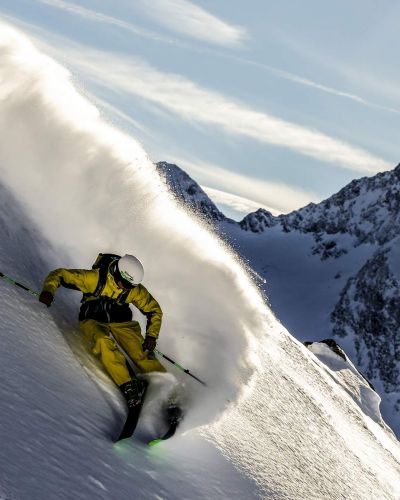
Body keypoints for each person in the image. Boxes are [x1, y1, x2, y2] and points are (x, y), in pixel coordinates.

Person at [39, 254, 166, 410]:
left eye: (130, 286)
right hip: (92, 318)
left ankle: (169, 393)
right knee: (102, 341)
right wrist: (48, 291)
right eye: (124, 283)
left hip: (121, 321)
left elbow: (154, 310)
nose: (126, 288)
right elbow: (59, 274)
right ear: (117, 273)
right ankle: (128, 385)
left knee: (140, 351)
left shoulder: (134, 289)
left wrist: (152, 335)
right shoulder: (94, 279)